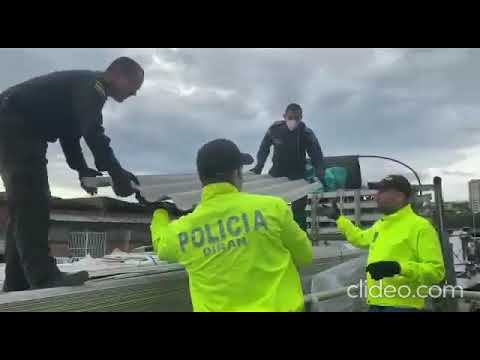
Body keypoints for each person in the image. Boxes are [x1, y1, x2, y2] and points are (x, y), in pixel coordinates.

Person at [0, 57, 144, 292]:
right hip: (14, 126)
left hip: (17, 127)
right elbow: (94, 134)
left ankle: (17, 281)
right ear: (118, 75)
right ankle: (44, 277)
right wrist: (116, 174)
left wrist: (81, 170)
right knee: (33, 203)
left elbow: (71, 134)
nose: (134, 93)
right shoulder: (93, 88)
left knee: (26, 205)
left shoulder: (84, 88)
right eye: (134, 86)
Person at [150, 139, 313, 312]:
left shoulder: (181, 231)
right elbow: (304, 256)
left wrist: (159, 212)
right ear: (237, 173)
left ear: (200, 177)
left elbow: (162, 245)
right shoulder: (273, 208)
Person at [321, 175, 445, 312]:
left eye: (381, 192)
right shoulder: (381, 225)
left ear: (399, 196)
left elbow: (436, 271)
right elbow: (360, 238)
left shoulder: (421, 227)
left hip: (404, 307)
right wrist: (338, 218)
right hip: (376, 304)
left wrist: (399, 268)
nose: (376, 196)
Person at [250, 103, 325, 231]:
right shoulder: (274, 129)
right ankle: (272, 234)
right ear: (284, 116)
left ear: (301, 118)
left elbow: (316, 153)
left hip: (298, 176)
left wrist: (319, 170)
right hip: (277, 174)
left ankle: (301, 236)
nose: (293, 121)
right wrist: (259, 166)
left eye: (297, 118)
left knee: (299, 211)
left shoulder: (306, 133)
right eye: (290, 118)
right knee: (272, 208)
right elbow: (264, 148)